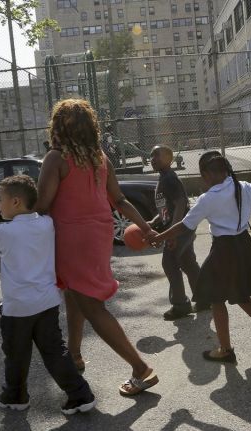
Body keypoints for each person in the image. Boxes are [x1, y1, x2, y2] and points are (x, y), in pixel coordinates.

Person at [35, 98, 159, 396]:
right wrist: (145, 227)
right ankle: (75, 354)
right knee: (76, 293)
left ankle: (141, 369)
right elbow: (120, 200)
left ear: (57, 126)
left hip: (71, 237)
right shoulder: (99, 158)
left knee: (91, 303)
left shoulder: (56, 158)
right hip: (99, 234)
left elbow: (42, 205)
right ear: (90, 127)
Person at [149, 151, 251, 363]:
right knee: (239, 294)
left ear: (207, 175)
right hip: (244, 245)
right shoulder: (244, 187)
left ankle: (225, 349)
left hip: (223, 250)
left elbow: (184, 225)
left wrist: (160, 236)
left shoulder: (208, 199)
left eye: (203, 176)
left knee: (216, 298)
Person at [0, 175, 97, 415]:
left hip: (17, 308)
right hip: (47, 302)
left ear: (16, 202)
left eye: (0, 200)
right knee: (55, 351)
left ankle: (15, 395)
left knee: (16, 355)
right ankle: (80, 394)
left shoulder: (2, 231)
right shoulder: (47, 223)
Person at [147, 145, 205, 321]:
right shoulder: (163, 178)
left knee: (169, 263)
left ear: (169, 159)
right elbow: (168, 207)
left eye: (157, 155)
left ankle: (180, 305)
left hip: (180, 228)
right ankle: (204, 299)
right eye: (151, 155)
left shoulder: (169, 178)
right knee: (187, 262)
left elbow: (180, 204)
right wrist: (155, 221)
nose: (153, 158)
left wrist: (172, 233)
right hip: (182, 227)